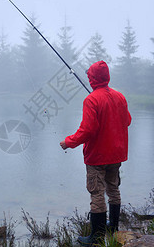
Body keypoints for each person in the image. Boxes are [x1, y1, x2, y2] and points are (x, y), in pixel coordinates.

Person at [60, 60, 132, 246]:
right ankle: (113, 227)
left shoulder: (91, 99)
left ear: (92, 79)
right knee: (113, 189)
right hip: (116, 154)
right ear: (107, 76)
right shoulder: (120, 97)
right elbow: (128, 121)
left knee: (97, 193)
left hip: (98, 156)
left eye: (89, 76)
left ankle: (96, 237)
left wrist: (68, 142)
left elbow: (87, 131)